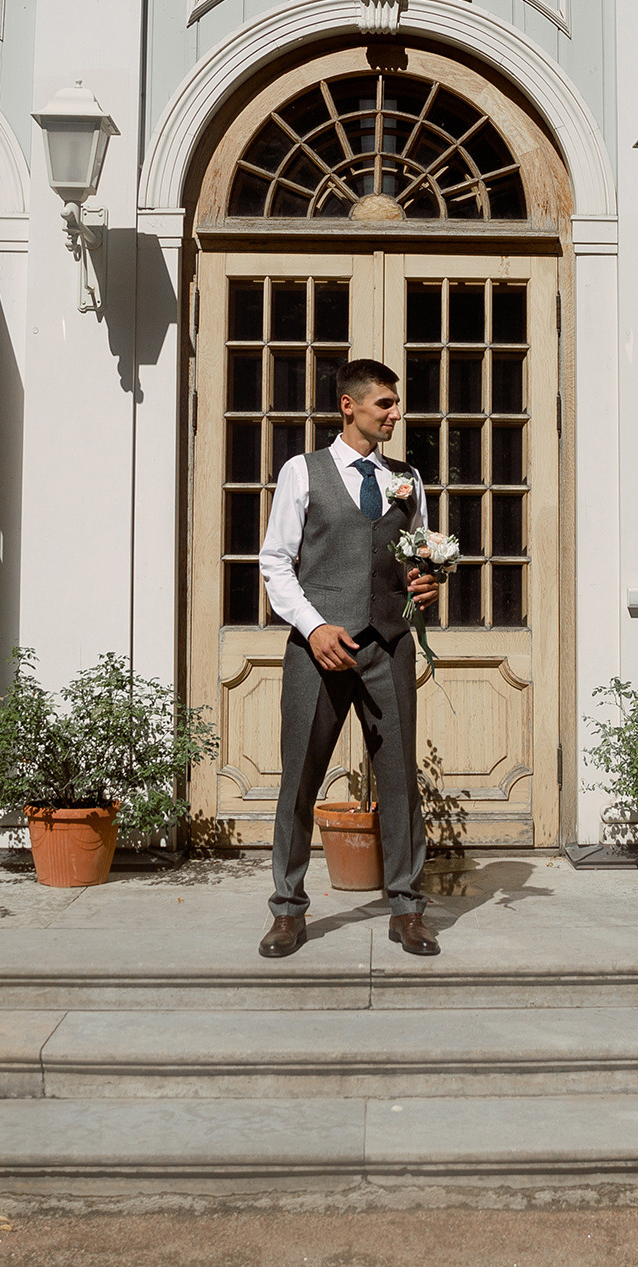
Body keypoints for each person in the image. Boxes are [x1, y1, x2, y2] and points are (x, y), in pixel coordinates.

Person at [255, 356, 443, 960]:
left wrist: (424, 586)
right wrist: (313, 629)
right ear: (349, 406)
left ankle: (407, 908)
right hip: (319, 650)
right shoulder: (301, 472)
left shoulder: (407, 479)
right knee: (299, 781)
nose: (395, 413)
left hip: (388, 645)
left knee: (399, 779)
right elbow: (274, 563)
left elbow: (417, 559)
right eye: (384, 403)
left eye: (395, 403)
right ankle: (287, 910)